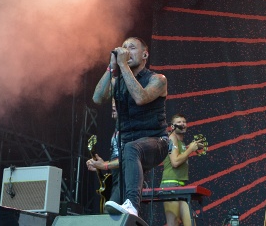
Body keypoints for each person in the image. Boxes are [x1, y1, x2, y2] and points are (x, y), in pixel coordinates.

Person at [92, 37, 168, 217]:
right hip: (127, 148)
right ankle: (126, 211)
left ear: (145, 55)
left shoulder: (158, 79)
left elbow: (141, 98)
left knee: (131, 148)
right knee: (113, 209)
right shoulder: (117, 81)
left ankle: (132, 205)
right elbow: (97, 98)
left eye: (132, 48)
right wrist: (112, 66)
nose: (126, 51)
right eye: (124, 47)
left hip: (156, 142)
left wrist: (123, 65)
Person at [161, 114, 204, 226]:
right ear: (172, 126)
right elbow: (175, 162)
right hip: (170, 185)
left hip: (181, 187)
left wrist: (189, 147)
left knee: (190, 222)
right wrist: (190, 149)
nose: (182, 124)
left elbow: (179, 155)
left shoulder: (181, 143)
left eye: (184, 122)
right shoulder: (172, 138)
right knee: (173, 223)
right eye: (179, 122)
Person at [86, 100, 121, 209]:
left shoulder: (128, 131)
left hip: (125, 183)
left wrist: (104, 165)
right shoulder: (116, 131)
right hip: (115, 181)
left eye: (117, 102)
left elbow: (127, 159)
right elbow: (117, 158)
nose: (113, 105)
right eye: (113, 102)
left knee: (113, 212)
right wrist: (100, 165)